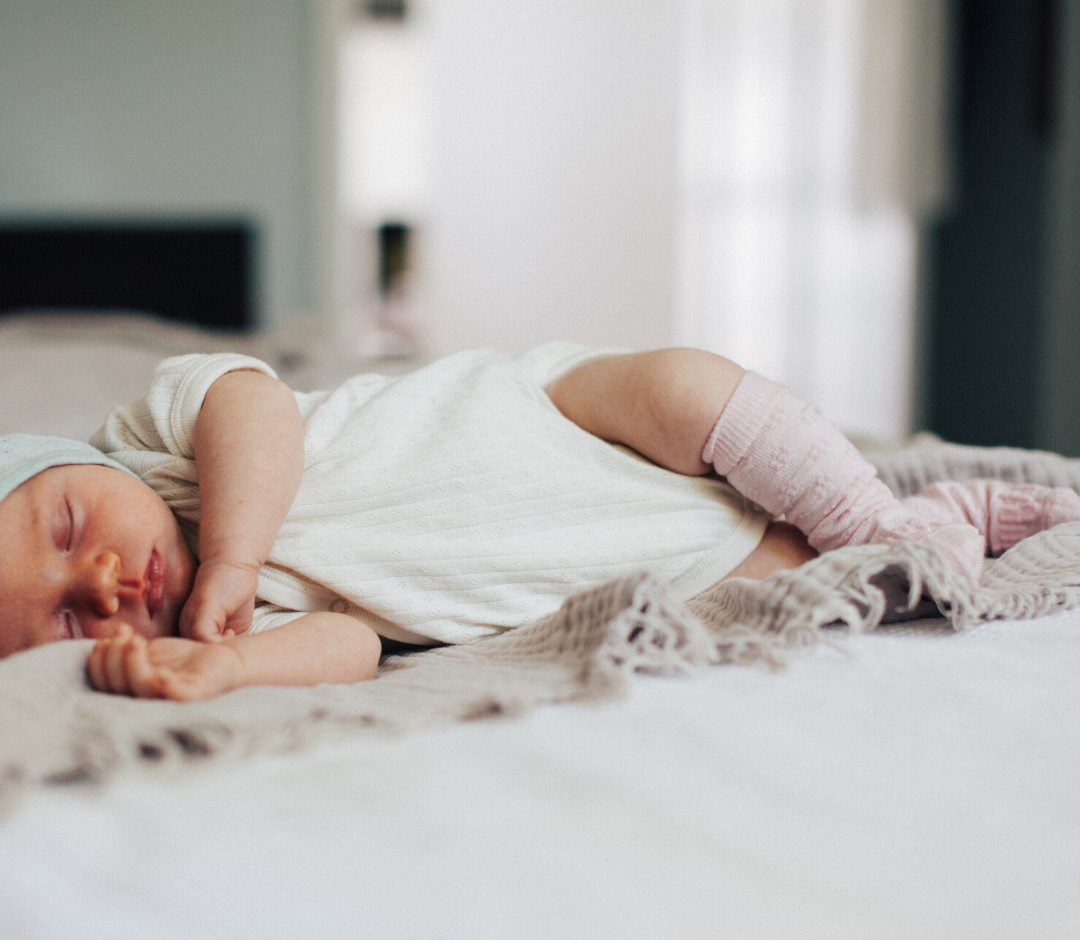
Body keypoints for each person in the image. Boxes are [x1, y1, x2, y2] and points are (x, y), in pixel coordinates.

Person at [1, 342, 1077, 702]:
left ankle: (877, 514)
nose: (95, 580)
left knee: (688, 387)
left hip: (565, 422)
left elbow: (257, 404)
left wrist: (232, 551)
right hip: (600, 567)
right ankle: (940, 522)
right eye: (59, 621)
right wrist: (225, 672)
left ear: (75, 464)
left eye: (61, 527)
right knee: (776, 589)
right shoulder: (210, 627)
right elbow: (354, 644)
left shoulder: (150, 435)